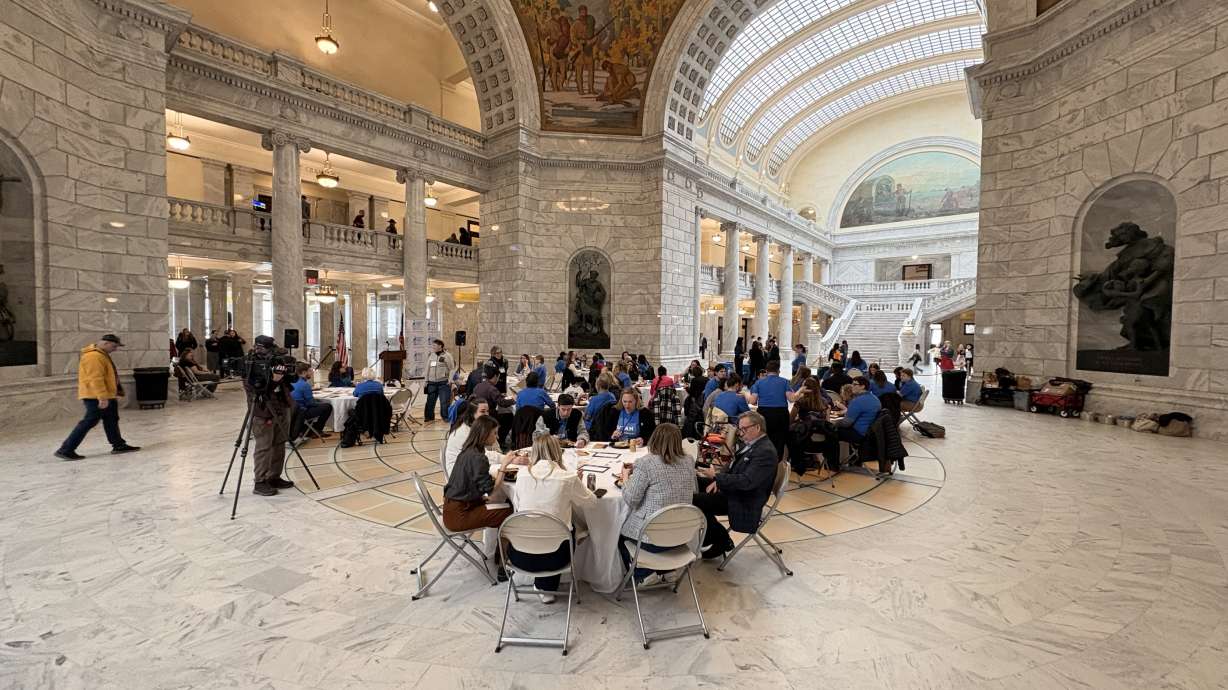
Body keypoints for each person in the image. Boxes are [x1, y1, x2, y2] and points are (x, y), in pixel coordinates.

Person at [506, 434, 595, 602]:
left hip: (518, 555)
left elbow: (519, 508)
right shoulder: (567, 477)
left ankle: (544, 587)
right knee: (573, 525)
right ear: (557, 452)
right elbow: (591, 503)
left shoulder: (523, 475)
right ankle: (547, 587)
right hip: (557, 557)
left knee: (541, 523)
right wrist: (578, 484)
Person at [616, 423, 697, 585]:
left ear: (654, 439)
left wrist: (625, 477)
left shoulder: (646, 463)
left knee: (618, 535)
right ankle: (667, 570)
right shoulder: (688, 461)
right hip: (681, 535)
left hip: (651, 539)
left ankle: (642, 574)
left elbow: (631, 499)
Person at [694, 410, 777, 558]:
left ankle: (721, 539)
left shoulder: (765, 452)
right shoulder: (753, 444)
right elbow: (733, 466)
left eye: (743, 429)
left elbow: (747, 482)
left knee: (695, 501)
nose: (740, 433)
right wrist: (717, 479)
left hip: (744, 500)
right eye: (739, 429)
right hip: (735, 491)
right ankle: (716, 536)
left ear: (757, 428)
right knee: (696, 482)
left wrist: (718, 478)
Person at [442, 416, 516, 569]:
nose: (497, 437)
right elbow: (491, 490)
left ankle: (498, 554)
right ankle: (503, 563)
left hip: (453, 507)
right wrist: (504, 465)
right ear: (484, 434)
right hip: (459, 515)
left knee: (503, 505)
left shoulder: (469, 450)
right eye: (494, 433)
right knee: (510, 513)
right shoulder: (478, 457)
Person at [54, 334, 141, 461]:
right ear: (105, 343)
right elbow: (96, 378)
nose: (115, 349)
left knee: (111, 419)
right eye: (114, 346)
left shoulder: (101, 355)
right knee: (89, 421)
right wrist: (102, 397)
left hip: (106, 394)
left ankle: (118, 445)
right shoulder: (93, 356)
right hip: (95, 395)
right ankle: (66, 449)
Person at [243, 335, 294, 495]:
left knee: (279, 443)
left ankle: (274, 476)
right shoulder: (250, 365)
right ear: (258, 348)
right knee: (264, 446)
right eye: (267, 349)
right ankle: (260, 481)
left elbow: (290, 381)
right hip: (263, 410)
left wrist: (286, 374)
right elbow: (256, 389)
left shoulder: (276, 361)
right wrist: (274, 380)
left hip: (281, 406)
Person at [820, 377, 881, 472]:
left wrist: (834, 424)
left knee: (830, 432)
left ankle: (833, 464)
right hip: (870, 433)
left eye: (855, 384)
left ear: (862, 386)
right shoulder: (874, 398)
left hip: (859, 434)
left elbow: (847, 423)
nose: (852, 387)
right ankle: (854, 460)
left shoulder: (858, 401)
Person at [747, 360, 792, 458]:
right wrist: (801, 391)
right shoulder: (785, 382)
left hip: (764, 413)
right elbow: (791, 399)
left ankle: (763, 458)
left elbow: (752, 401)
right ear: (778, 371)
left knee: (763, 437)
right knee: (780, 439)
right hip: (781, 413)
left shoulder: (759, 383)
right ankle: (778, 461)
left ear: (766, 371)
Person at [444, 399, 499, 477]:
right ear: (472, 413)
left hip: (469, 467)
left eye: (487, 411)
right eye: (483, 411)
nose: (486, 414)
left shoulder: (476, 426)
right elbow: (482, 456)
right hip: (458, 475)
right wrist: (505, 459)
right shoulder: (464, 431)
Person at [290, 363, 333, 437]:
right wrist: (320, 403)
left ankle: (307, 429)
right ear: (304, 373)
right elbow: (311, 403)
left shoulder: (292, 382)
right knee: (328, 407)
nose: (312, 372)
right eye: (310, 371)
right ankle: (317, 429)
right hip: (302, 412)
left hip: (292, 411)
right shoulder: (304, 385)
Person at [423, 339, 456, 423]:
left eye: (435, 346)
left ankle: (445, 417)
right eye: (433, 345)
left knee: (444, 402)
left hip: (443, 383)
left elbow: (452, 369)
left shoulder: (447, 356)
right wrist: (426, 381)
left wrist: (450, 380)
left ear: (440, 346)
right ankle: (429, 417)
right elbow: (427, 368)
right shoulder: (431, 355)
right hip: (431, 382)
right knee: (430, 401)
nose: (433, 347)